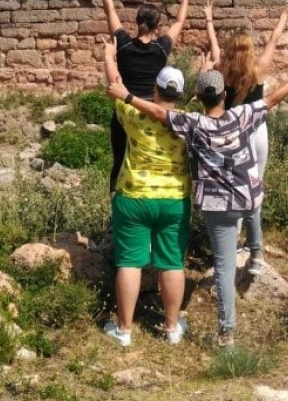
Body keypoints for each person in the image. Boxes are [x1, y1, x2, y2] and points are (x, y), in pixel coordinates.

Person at [107, 57, 288, 347]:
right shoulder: (241, 115)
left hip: (217, 206)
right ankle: (255, 254)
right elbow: (272, 99)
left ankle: (226, 333)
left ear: (197, 98)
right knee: (249, 212)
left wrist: (126, 95)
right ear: (225, 95)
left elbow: (156, 111)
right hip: (245, 197)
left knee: (224, 267)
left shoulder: (193, 123)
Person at [101, 38, 191, 347]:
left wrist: (108, 56)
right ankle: (171, 328)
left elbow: (115, 83)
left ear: (155, 88)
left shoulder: (132, 115)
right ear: (179, 94)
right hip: (174, 200)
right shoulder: (189, 123)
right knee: (172, 263)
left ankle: (124, 330)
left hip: (134, 197)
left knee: (129, 262)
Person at [204, 0, 288, 274]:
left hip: (231, 135)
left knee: (232, 189)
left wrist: (209, 20)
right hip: (257, 133)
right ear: (249, 51)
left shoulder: (221, 69)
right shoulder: (257, 70)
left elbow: (212, 45)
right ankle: (256, 254)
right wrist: (283, 14)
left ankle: (233, 246)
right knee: (254, 190)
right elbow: (273, 40)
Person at [98, 0, 193, 193]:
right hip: (153, 111)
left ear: (137, 22)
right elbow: (180, 22)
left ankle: (117, 210)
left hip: (125, 112)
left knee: (120, 161)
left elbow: (110, 11)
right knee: (153, 158)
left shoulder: (123, 45)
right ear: (157, 26)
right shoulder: (161, 49)